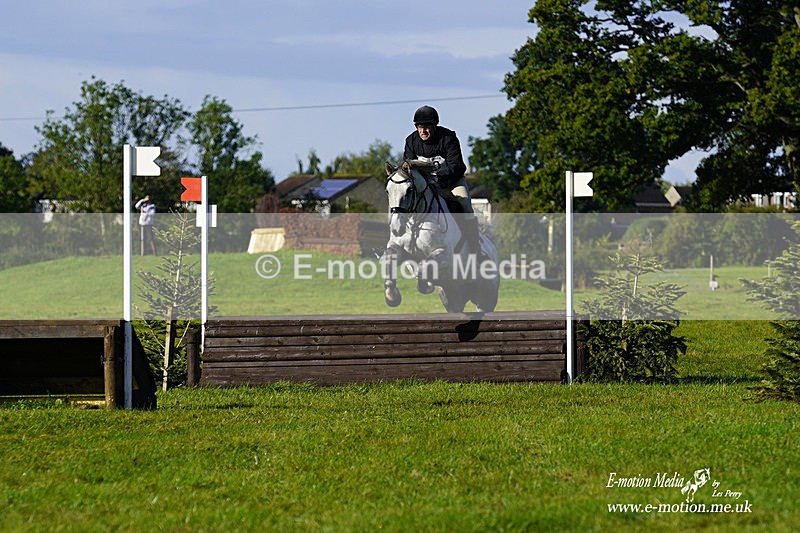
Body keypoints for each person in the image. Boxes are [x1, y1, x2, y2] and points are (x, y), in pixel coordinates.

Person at [403, 105, 481, 254]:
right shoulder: (411, 141)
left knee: (464, 201)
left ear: (434, 126)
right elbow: (409, 169)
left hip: (451, 182)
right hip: (426, 185)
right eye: (420, 127)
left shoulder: (448, 138)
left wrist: (436, 178)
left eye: (426, 127)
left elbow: (457, 166)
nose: (423, 131)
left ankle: (475, 247)